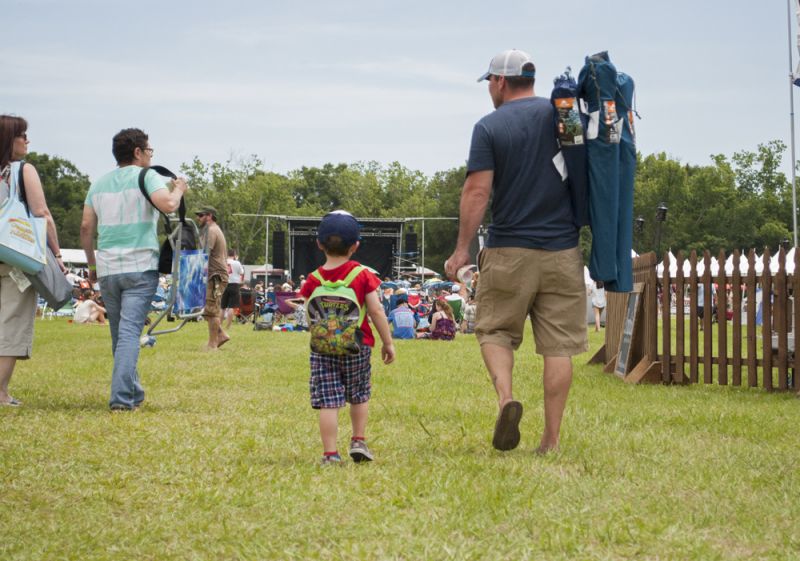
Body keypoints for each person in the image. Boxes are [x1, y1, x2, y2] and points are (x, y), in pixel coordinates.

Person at [445, 49, 587, 454]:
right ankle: (551, 440)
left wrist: (461, 251)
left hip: (509, 249)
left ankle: (507, 399)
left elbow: (477, 190)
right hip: (563, 251)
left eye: (489, 81)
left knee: (494, 330)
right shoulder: (565, 116)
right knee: (559, 347)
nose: (489, 88)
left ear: (500, 81)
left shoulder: (490, 126)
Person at [81, 127, 188, 411]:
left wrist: (91, 264)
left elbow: (86, 228)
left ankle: (133, 391)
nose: (151, 156)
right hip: (140, 265)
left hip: (107, 267)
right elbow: (167, 204)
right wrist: (178, 188)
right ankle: (121, 399)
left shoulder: (98, 184)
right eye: (149, 151)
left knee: (120, 333)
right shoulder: (147, 175)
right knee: (129, 333)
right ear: (138, 152)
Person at [299, 210, 395, 466]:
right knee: (359, 395)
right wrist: (388, 342)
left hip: (322, 348)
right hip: (358, 346)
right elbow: (376, 311)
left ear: (319, 244)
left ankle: (330, 454)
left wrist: (321, 334)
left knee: (329, 402)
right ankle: (358, 440)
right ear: (355, 246)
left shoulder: (313, 279)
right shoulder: (362, 275)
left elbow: (309, 313)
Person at [0, 115, 66, 406]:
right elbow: (42, 213)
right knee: (11, 322)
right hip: (16, 256)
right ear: (8, 139)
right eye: (22, 135)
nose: (27, 140)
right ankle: (0, 392)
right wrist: (57, 253)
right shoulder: (22, 170)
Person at [195, 206, 229, 349]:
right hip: (215, 274)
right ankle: (221, 335)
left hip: (216, 275)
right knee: (209, 309)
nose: (198, 218)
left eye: (201, 215)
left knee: (212, 309)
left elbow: (204, 254)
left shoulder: (211, 231)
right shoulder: (214, 230)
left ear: (209, 216)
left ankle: (212, 344)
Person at [222, 249, 244, 330]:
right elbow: (241, 272)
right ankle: (228, 326)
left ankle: (220, 325)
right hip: (234, 284)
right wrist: (237, 260)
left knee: (222, 306)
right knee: (231, 306)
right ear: (234, 255)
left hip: (224, 284)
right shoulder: (236, 262)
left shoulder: (223, 261)